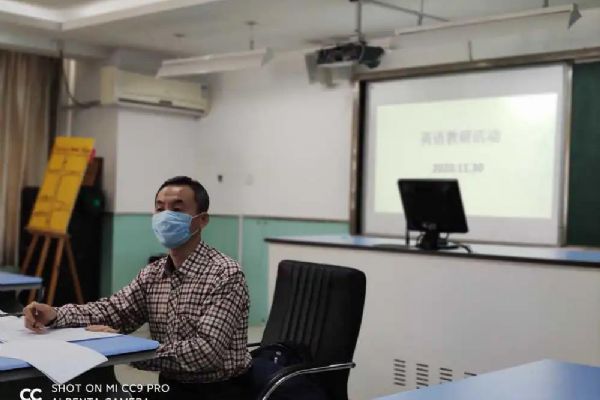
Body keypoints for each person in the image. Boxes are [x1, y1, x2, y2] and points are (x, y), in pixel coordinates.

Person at [23, 176, 253, 400]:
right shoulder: (153, 273)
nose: (165, 216)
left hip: (220, 391)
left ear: (202, 220)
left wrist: (127, 348)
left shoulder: (225, 274)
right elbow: (114, 311)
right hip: (172, 387)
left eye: (177, 209)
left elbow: (205, 353)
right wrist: (55, 314)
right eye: (160, 209)